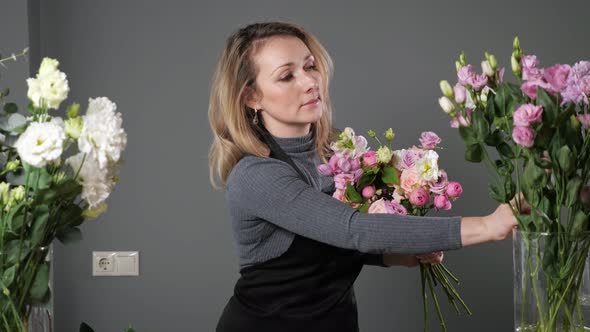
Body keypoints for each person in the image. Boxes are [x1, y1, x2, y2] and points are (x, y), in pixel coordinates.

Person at [208, 22, 518, 332]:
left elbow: (320, 239)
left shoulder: (335, 152)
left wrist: (392, 257)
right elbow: (353, 229)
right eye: (287, 76)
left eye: (310, 66)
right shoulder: (255, 175)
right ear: (251, 96)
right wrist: (488, 226)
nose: (310, 82)